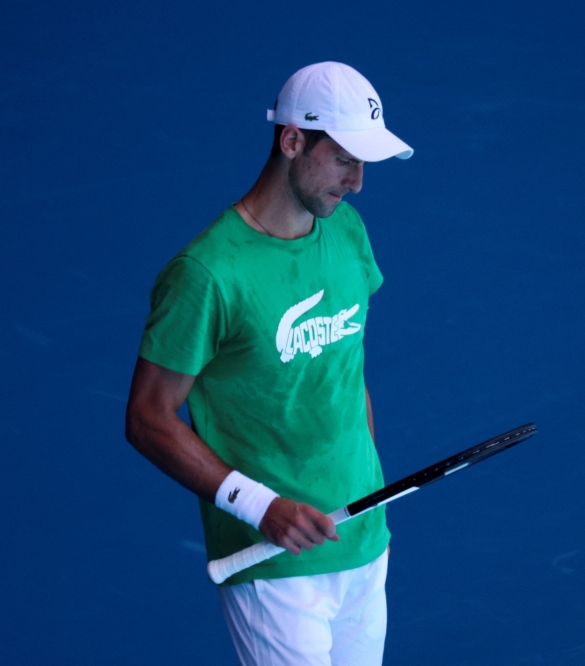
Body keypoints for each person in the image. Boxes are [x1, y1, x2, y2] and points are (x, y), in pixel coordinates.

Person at [125, 61, 413, 666]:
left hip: (363, 540)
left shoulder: (348, 232)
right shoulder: (206, 275)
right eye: (343, 159)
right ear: (292, 140)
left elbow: (346, 373)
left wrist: (368, 492)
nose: (358, 182)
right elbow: (148, 418)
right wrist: (263, 509)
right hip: (273, 565)